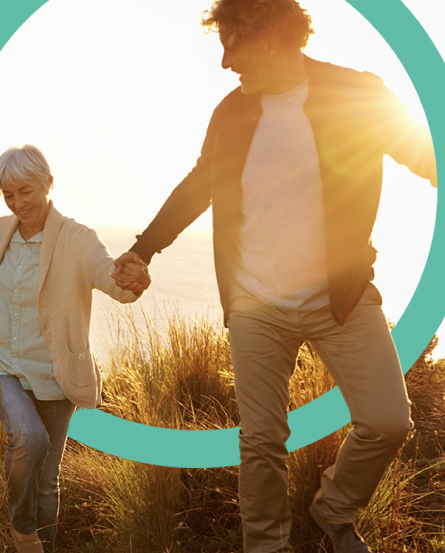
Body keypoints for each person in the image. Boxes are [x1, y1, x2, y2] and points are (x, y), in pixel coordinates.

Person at [112, 1, 437, 551]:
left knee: (387, 422)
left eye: (230, 43)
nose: (223, 62)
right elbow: (200, 185)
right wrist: (144, 250)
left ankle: (333, 512)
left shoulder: (355, 94)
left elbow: (426, 153)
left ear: (267, 36)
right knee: (262, 440)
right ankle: (266, 546)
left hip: (343, 294)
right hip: (256, 303)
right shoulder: (231, 113)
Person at [0, 145, 148, 553]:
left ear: (47, 184)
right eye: (8, 195)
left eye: (25, 191)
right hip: (1, 365)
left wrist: (130, 283)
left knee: (46, 480)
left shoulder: (77, 238)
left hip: (56, 375)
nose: (17, 203)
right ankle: (22, 530)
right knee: (30, 439)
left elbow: (108, 275)